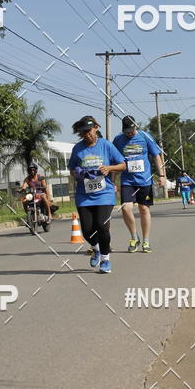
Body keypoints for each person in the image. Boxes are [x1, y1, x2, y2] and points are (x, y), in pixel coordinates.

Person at [68, 115, 125, 273]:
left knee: (102, 226)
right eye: (83, 132)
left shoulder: (106, 145)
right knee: (87, 230)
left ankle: (105, 260)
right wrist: (78, 172)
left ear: (96, 128)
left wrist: (109, 168)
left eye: (89, 131)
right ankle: (96, 249)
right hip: (84, 196)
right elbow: (71, 168)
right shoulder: (77, 148)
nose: (87, 134)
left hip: (104, 194)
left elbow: (122, 164)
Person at [112, 115, 165, 253]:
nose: (129, 133)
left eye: (131, 130)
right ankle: (134, 237)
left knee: (144, 209)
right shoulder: (118, 140)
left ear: (136, 126)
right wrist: (112, 182)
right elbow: (115, 163)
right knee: (125, 208)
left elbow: (156, 156)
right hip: (127, 180)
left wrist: (162, 175)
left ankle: (146, 240)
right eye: (126, 131)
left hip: (144, 180)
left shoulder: (145, 137)